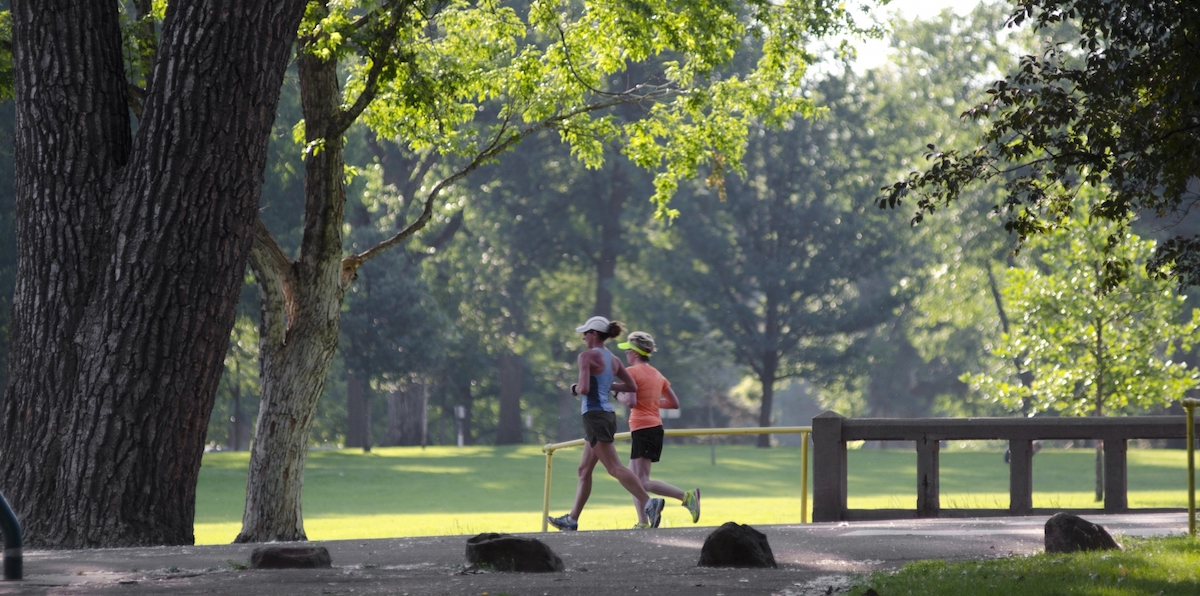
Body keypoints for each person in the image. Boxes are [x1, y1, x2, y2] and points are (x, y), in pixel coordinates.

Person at [547, 316, 666, 531]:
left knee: (614, 468)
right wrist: (605, 385)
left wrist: (573, 388)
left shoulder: (586, 357)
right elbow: (630, 387)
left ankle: (650, 503)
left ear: (594, 334)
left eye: (586, 333)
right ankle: (572, 519)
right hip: (606, 415)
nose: (583, 337)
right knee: (584, 470)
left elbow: (583, 389)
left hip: (594, 416)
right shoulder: (613, 360)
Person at [615, 331, 700, 526]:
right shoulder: (657, 374)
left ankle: (686, 497)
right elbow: (674, 403)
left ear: (635, 353)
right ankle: (643, 521)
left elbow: (629, 401)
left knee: (642, 481)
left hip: (643, 428)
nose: (626, 353)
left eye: (628, 350)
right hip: (654, 427)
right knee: (632, 479)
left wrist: (615, 394)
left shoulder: (632, 372)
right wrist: (651, 402)